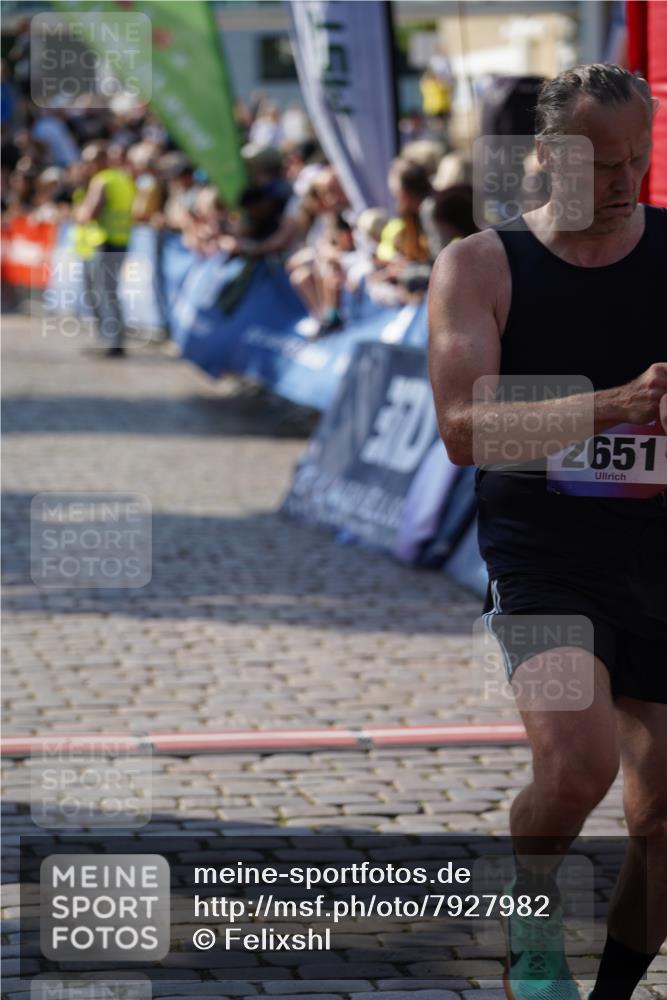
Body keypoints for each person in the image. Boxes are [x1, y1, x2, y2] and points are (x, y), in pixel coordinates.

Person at [428, 63, 666, 1000]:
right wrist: (614, 406)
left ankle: (611, 991)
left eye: (637, 160)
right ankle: (530, 913)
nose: (622, 182)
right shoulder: (481, 266)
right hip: (546, 558)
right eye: (599, 163)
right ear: (542, 154)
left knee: (661, 819)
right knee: (576, 766)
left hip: (662, 557)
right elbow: (464, 429)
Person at [74, 142, 136, 356]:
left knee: (104, 293)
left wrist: (80, 211)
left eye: (88, 161)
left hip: (105, 243)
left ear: (99, 161)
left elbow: (89, 214)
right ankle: (109, 340)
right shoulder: (122, 178)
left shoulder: (102, 180)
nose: (85, 165)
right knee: (105, 292)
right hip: (118, 241)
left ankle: (113, 342)